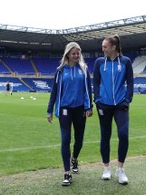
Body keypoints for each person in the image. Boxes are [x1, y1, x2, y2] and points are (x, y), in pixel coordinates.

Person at [47, 42, 93, 186]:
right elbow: (54, 91)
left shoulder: (84, 69)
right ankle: (67, 172)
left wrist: (89, 107)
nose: (76, 56)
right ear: (67, 54)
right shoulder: (60, 71)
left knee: (79, 140)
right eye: (73, 53)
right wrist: (49, 110)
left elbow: (87, 90)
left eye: (78, 53)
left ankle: (74, 158)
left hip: (80, 109)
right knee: (65, 139)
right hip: (65, 109)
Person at [93, 34, 134, 185]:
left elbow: (130, 82)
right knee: (105, 136)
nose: (102, 49)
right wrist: (97, 100)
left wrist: (128, 100)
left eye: (105, 46)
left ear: (113, 47)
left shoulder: (125, 62)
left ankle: (120, 169)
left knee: (123, 135)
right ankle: (106, 168)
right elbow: (96, 82)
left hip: (120, 105)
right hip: (104, 104)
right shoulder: (98, 62)